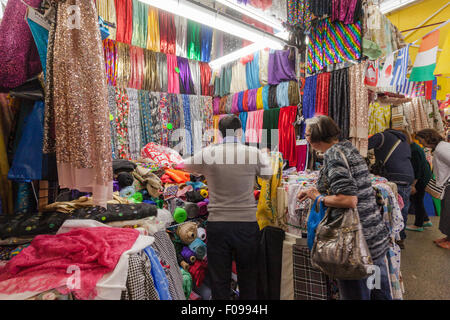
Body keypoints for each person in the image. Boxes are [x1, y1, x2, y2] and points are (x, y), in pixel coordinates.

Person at [298, 115, 391, 300]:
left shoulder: (333, 155)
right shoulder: (348, 148)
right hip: (374, 236)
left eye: (308, 134)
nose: (306, 138)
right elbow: (351, 184)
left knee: (356, 293)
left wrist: (319, 198)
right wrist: (315, 191)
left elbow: (348, 199)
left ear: (317, 136)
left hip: (355, 242)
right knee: (377, 290)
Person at [180, 114, 272, 299]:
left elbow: (183, 166)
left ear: (219, 133)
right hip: (246, 224)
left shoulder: (208, 154)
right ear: (239, 131)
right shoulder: (253, 153)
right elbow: (268, 176)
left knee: (219, 280)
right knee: (248, 277)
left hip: (218, 224)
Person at [368, 129, 415, 249]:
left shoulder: (381, 136)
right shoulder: (403, 140)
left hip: (394, 176)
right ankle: (400, 238)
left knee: (392, 208)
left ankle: (392, 237)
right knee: (402, 207)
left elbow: (362, 146)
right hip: (408, 176)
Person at [415, 129, 450, 250]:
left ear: (427, 138)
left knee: (448, 211)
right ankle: (447, 237)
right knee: (446, 211)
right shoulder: (441, 147)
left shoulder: (441, 149)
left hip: (448, 184)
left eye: (421, 140)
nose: (421, 143)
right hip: (446, 184)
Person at [397, 130, 433, 232]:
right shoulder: (413, 148)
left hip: (421, 179)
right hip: (424, 177)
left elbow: (417, 169)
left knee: (417, 200)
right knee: (418, 200)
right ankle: (425, 220)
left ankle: (418, 224)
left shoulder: (414, 150)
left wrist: (413, 185)